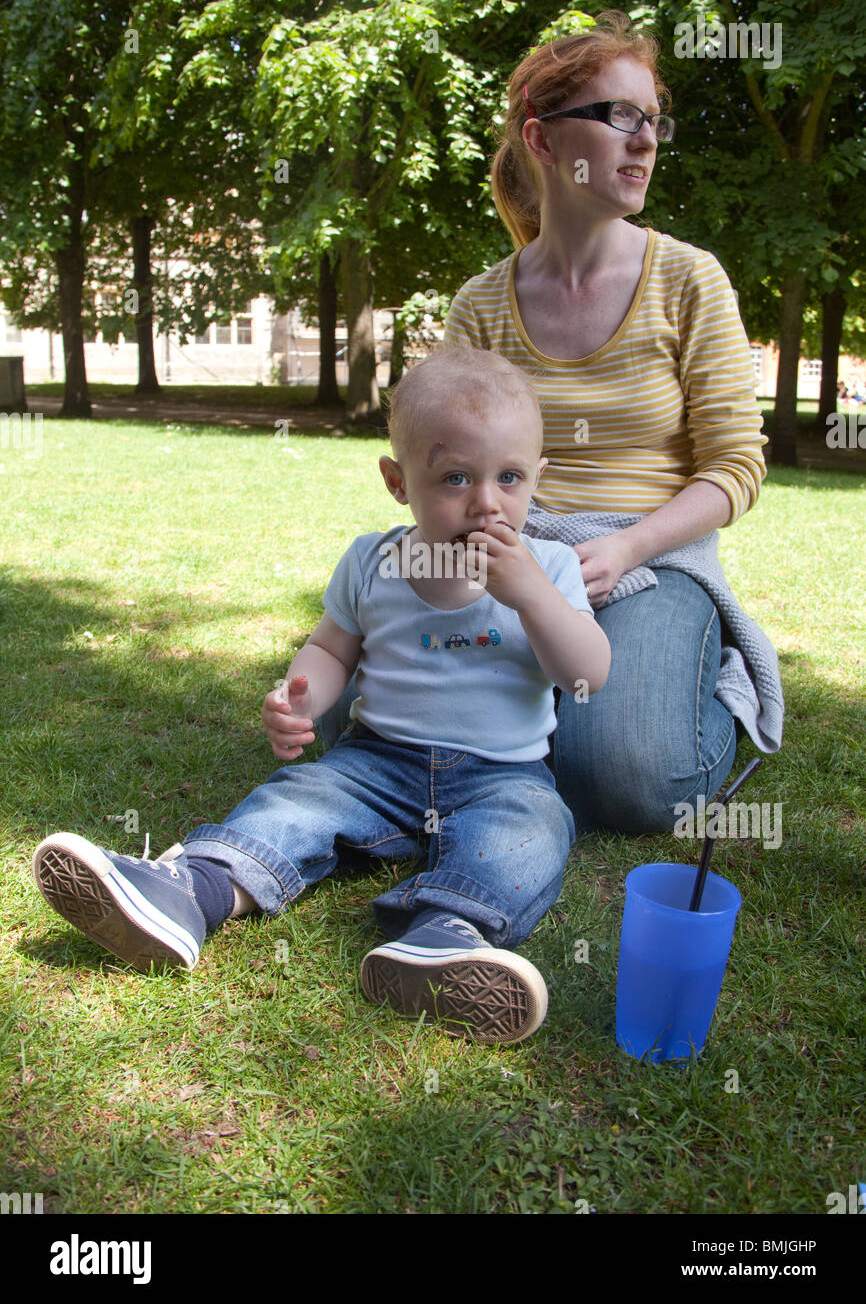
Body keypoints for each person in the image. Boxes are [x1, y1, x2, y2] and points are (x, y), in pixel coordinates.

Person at [32, 348, 610, 1045]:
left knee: (529, 834)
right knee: (296, 798)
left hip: (503, 777)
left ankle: (447, 936)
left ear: (537, 479)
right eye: (455, 478)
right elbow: (334, 648)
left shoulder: (547, 568)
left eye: (509, 478)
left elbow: (587, 673)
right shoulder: (372, 560)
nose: (486, 501)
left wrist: (534, 599)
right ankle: (193, 891)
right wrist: (300, 698)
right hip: (377, 763)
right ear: (399, 482)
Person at [439, 10, 783, 836]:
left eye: (652, 118)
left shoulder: (691, 281)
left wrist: (626, 547)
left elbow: (736, 465)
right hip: (515, 548)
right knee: (372, 714)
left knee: (623, 775)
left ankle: (703, 688)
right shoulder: (481, 305)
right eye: (618, 115)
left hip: (653, 559)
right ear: (545, 140)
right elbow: (448, 462)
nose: (646, 139)